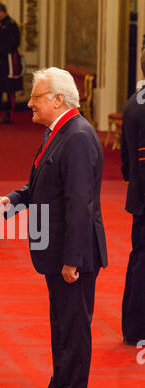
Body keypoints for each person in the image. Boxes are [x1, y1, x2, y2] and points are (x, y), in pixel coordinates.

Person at [0, 67, 108, 388]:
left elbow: (80, 204)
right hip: (57, 250)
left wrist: (72, 259)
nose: (29, 102)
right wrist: (9, 201)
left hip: (70, 254)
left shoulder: (76, 136)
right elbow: (40, 189)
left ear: (58, 100)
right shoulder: (58, 132)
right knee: (61, 325)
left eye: (36, 97)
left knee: (73, 329)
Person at [121, 49, 145, 345]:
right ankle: (138, 329)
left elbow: (128, 165)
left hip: (139, 193)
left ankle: (134, 327)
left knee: (139, 259)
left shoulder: (134, 101)